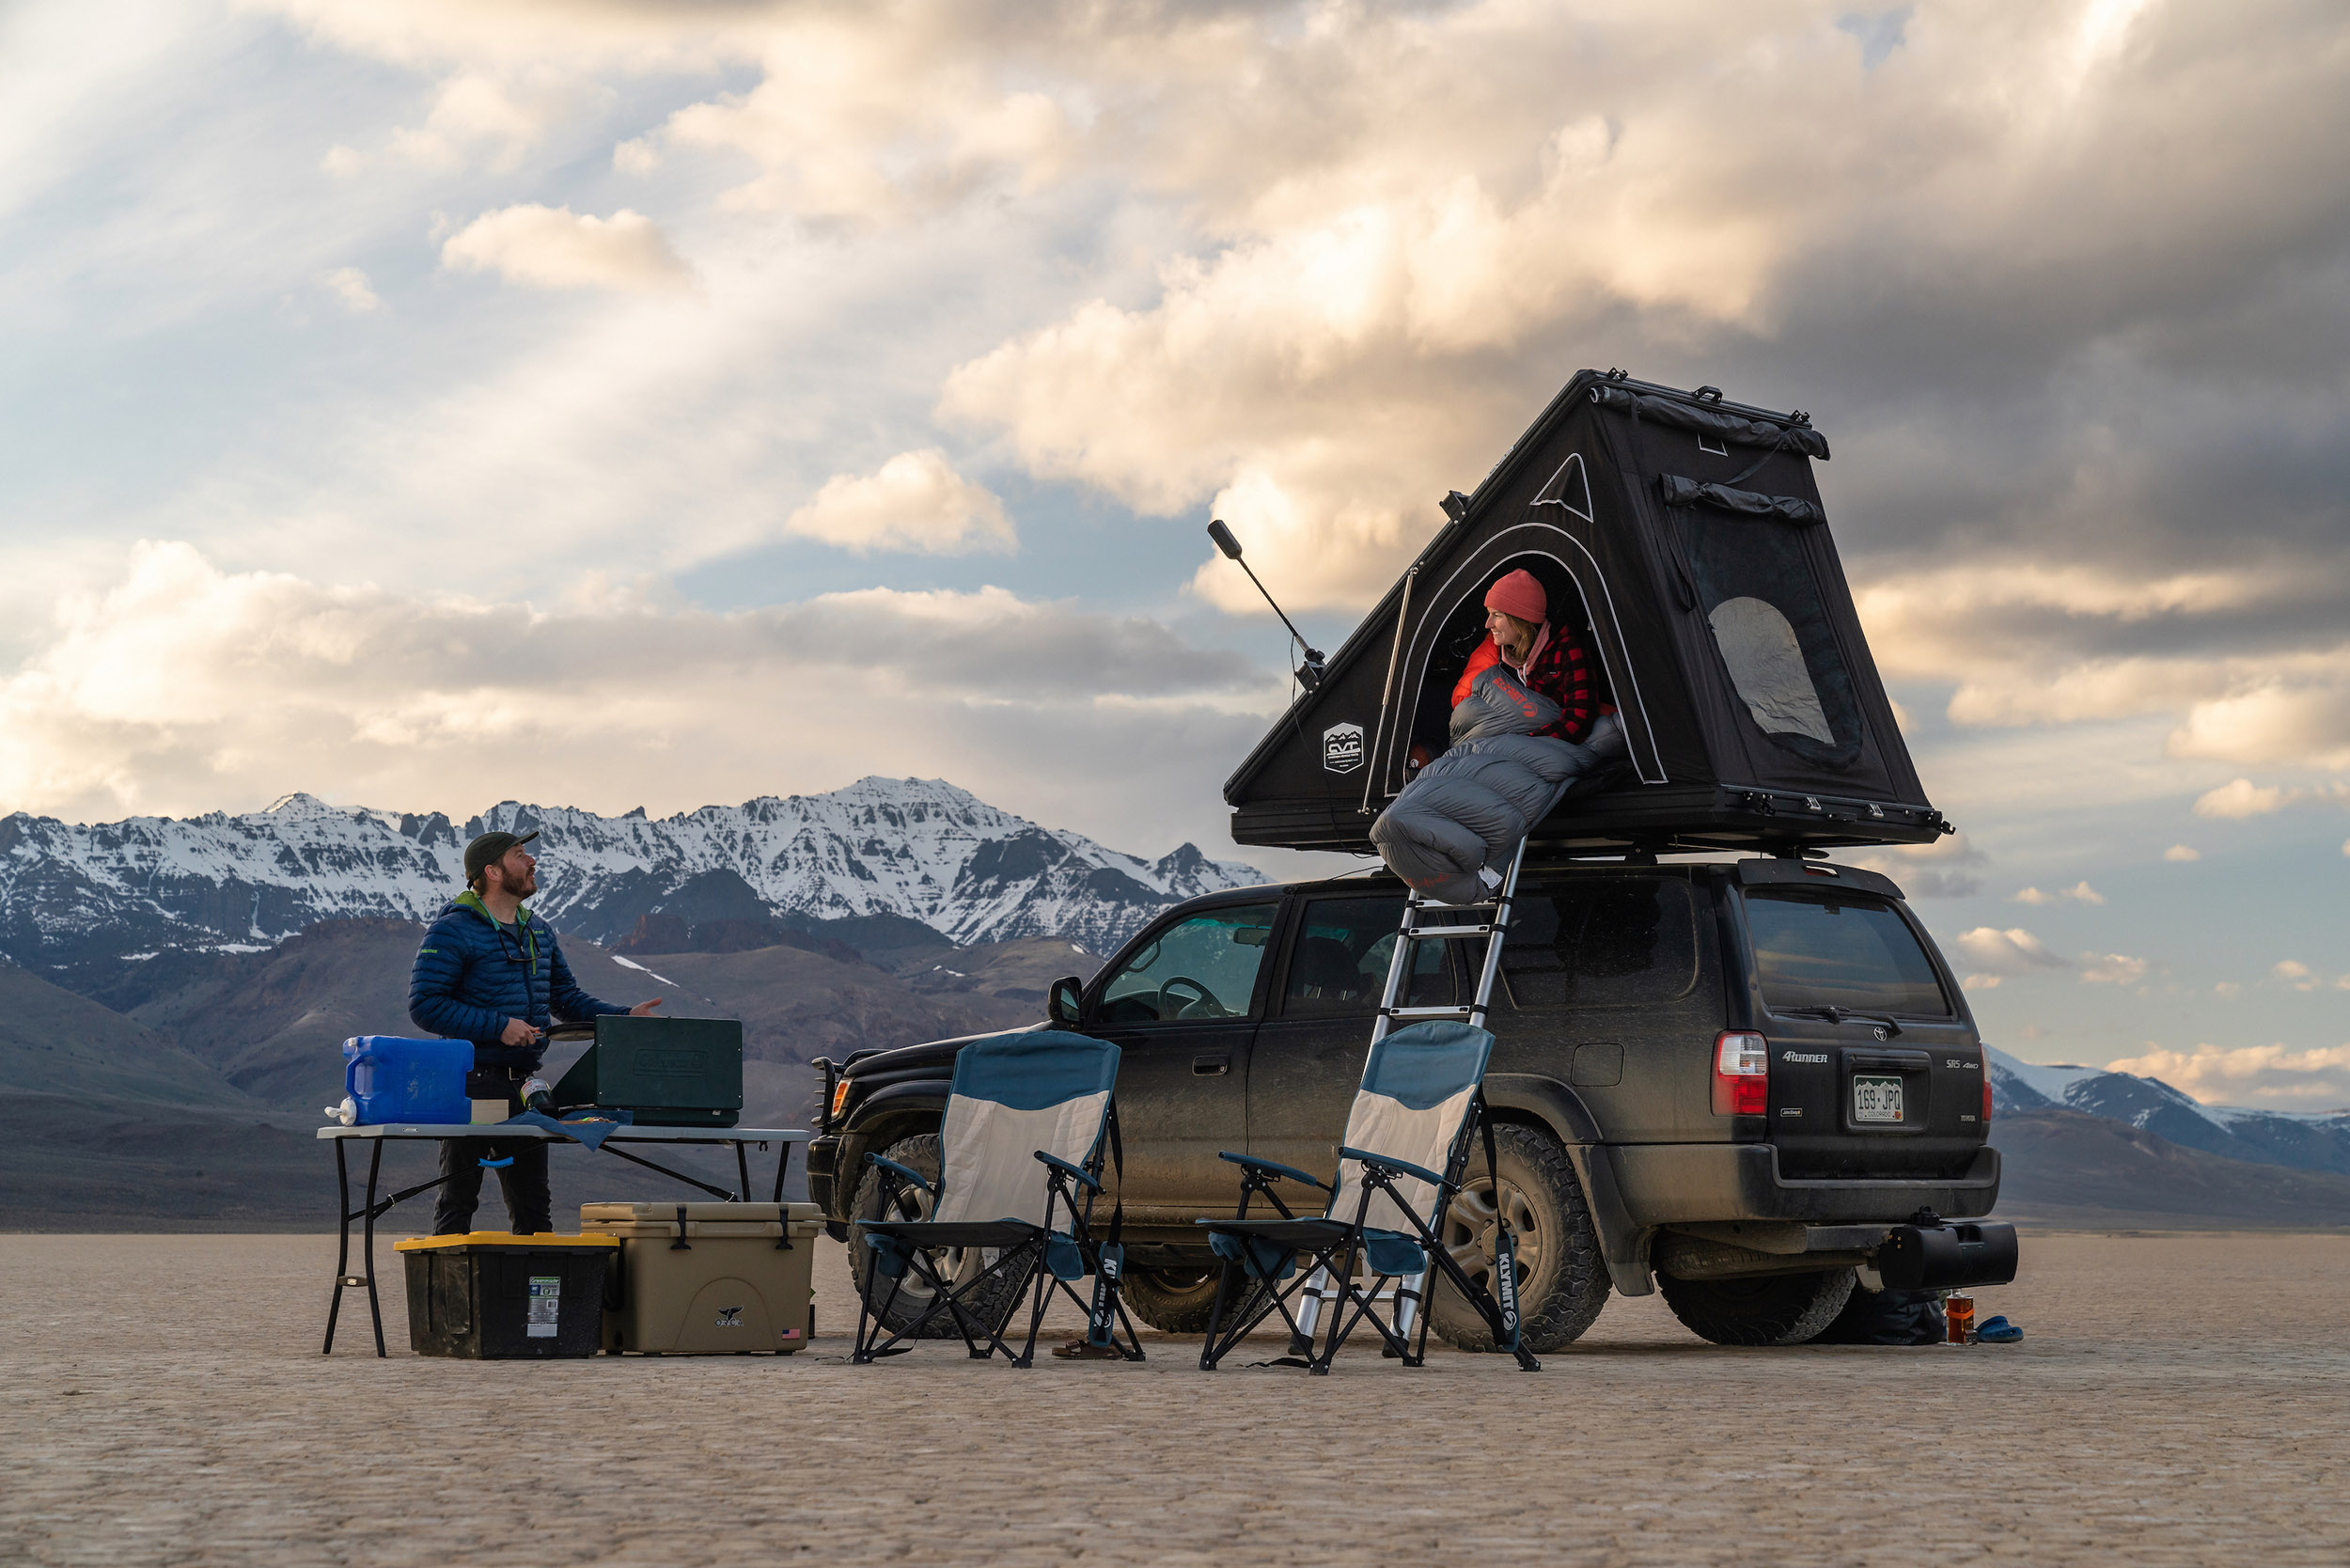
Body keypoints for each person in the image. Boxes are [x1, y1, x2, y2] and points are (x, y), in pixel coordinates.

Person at [409, 829, 663, 1235]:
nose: (532, 862)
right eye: (520, 854)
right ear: (491, 871)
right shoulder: (452, 931)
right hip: (470, 1088)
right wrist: (499, 1026)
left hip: (525, 1090)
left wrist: (624, 1017)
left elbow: (565, 999)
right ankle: (449, 1297)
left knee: (533, 1210)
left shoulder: (539, 931)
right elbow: (425, 1005)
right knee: (457, 1203)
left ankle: (533, 1299)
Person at [1450, 566, 1628, 776]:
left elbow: (1579, 719)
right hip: (1498, 749)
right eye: (1489, 614)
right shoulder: (1496, 657)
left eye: (1496, 615)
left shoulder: (1567, 651)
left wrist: (1524, 745)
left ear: (1521, 620)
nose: (1488, 624)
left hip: (1543, 750)